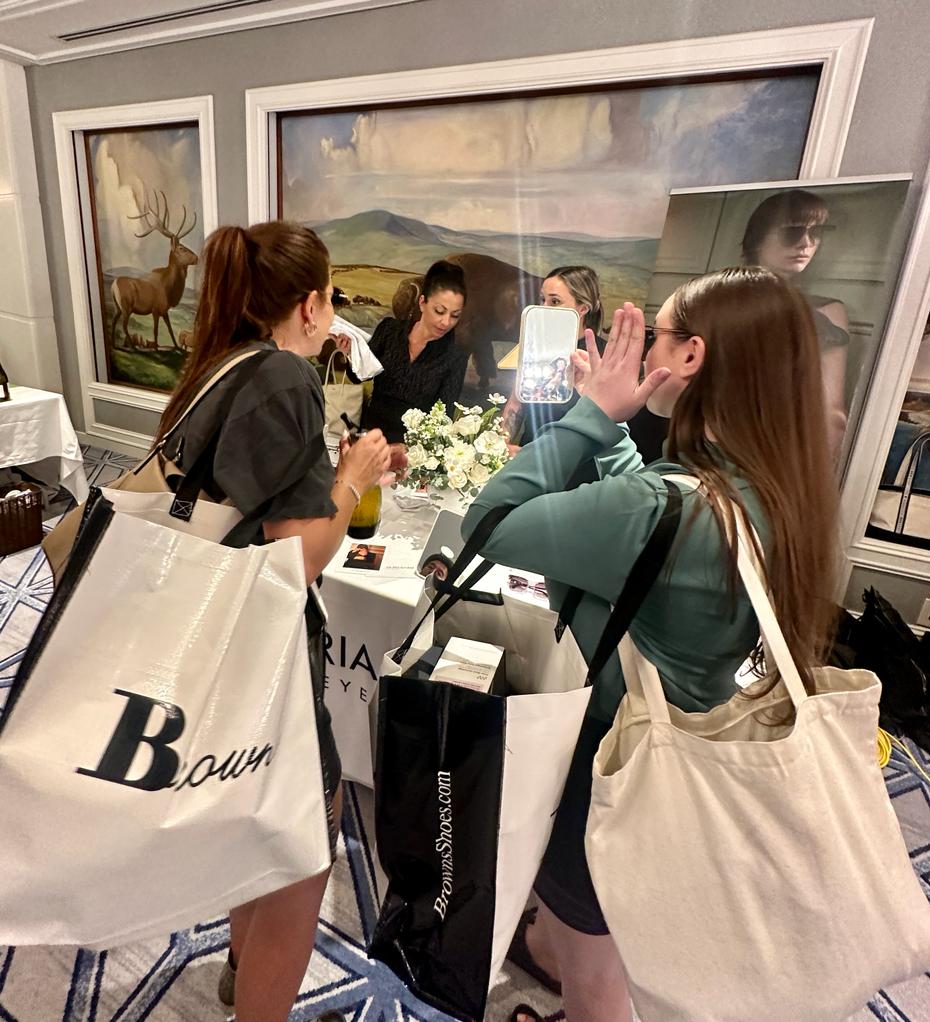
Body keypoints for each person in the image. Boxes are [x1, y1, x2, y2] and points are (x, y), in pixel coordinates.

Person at [462, 267, 838, 1022]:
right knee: (606, 937)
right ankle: (560, 956)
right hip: (690, 756)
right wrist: (606, 430)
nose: (637, 354)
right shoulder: (769, 492)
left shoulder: (667, 508)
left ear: (691, 356)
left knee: (595, 980)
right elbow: (656, 517)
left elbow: (489, 525)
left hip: (613, 765)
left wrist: (588, 417)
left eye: (655, 337)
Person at [154, 220, 392, 1022]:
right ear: (312, 302)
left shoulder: (221, 364)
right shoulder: (285, 378)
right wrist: (352, 479)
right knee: (301, 847)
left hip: (211, 634)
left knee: (249, 812)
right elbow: (301, 555)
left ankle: (238, 965)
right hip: (263, 649)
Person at [501, 266, 668, 461]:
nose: (544, 308)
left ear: (582, 308)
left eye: (555, 301)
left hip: (579, 468)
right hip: (528, 462)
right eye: (542, 299)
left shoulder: (605, 357)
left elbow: (613, 425)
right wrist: (501, 446)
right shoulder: (535, 350)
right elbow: (516, 403)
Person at [741, 188, 850, 451]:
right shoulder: (719, 298)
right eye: (792, 232)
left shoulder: (825, 312)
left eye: (816, 232)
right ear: (759, 238)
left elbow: (830, 409)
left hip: (776, 445)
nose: (805, 243)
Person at [336, 259, 469, 443]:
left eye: (455, 315)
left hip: (413, 449)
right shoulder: (389, 330)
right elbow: (359, 376)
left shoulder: (455, 356)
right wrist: (350, 353)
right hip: (372, 436)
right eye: (439, 311)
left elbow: (443, 418)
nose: (446, 322)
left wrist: (409, 448)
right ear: (422, 302)